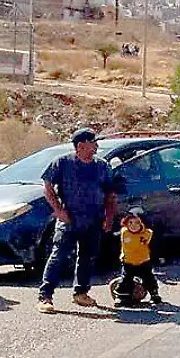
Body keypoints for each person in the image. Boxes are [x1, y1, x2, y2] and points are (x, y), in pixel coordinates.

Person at [36, 128, 117, 313]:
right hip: (69, 220)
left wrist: (109, 217)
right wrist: (58, 210)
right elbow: (47, 186)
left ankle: (81, 293)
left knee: (87, 257)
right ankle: (45, 296)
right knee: (59, 256)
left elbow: (110, 193)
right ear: (81, 145)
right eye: (92, 142)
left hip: (94, 219)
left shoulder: (102, 165)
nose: (96, 145)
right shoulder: (62, 163)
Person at [114, 208, 162, 307]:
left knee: (149, 278)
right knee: (125, 279)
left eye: (137, 223)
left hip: (143, 260)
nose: (133, 225)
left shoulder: (147, 234)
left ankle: (154, 294)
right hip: (128, 261)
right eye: (130, 222)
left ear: (142, 223)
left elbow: (153, 243)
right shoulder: (124, 232)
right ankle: (121, 296)